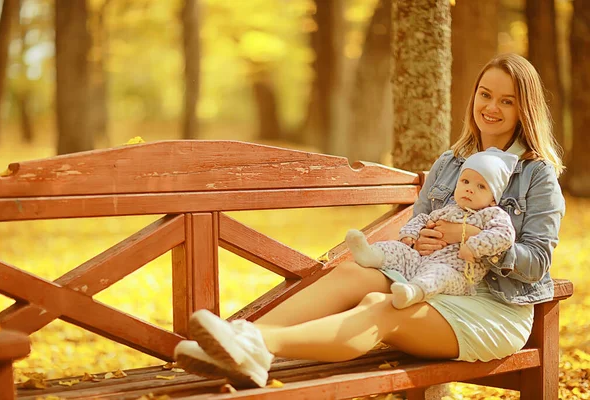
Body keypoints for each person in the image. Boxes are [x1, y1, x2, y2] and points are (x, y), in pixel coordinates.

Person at [173, 53, 566, 389]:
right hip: (430, 282)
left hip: (490, 307)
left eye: (507, 101)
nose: (491, 108)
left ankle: (253, 343)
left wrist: (468, 235)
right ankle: (239, 343)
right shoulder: (451, 163)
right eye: (485, 95)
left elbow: (537, 263)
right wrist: (422, 240)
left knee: (382, 306)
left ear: (523, 109)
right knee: (352, 273)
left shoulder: (536, 173)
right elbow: (417, 228)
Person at [345, 147, 518, 310]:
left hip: (457, 274)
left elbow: (504, 235)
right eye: (465, 181)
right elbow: (423, 219)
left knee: (439, 274)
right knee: (398, 249)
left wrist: (474, 246)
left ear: (493, 199)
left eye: (481, 186)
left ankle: (413, 292)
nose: (470, 189)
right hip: (422, 261)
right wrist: (410, 235)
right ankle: (372, 255)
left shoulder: (492, 214)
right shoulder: (449, 209)